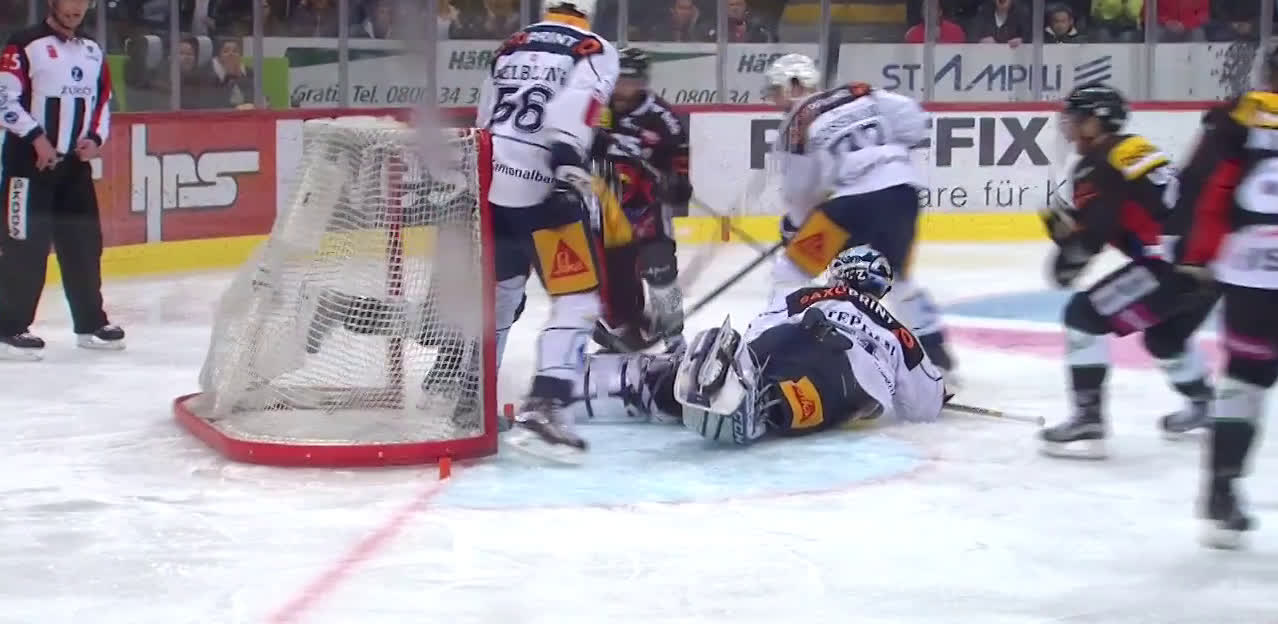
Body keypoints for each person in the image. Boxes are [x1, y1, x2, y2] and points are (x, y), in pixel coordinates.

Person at [575, 245, 947, 444]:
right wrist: (936, 394)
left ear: (841, 271)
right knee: (794, 402)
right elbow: (924, 406)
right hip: (849, 385)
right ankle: (766, 405)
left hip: (792, 340)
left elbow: (760, 328)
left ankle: (656, 381)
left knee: (722, 372)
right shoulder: (899, 334)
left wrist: (745, 356)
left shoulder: (809, 294)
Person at [1037, 84, 1216, 460]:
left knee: (1083, 315)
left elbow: (1093, 236)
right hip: (1210, 266)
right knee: (1165, 339)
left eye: (1077, 119)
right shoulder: (1133, 149)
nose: (1069, 128)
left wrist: (1067, 254)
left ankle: (1088, 419)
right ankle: (1205, 405)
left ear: (1097, 122)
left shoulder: (1097, 163)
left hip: (1171, 266)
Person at [478, 0, 619, 461]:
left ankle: (472, 401)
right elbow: (577, 104)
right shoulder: (593, 46)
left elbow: (485, 115)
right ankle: (548, 401)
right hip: (541, 183)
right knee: (578, 296)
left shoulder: (511, 44)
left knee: (502, 293)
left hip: (489, 178)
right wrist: (567, 160)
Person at [761, 53, 958, 380]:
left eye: (776, 91)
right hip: (901, 193)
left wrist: (794, 226)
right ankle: (936, 357)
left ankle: (774, 345)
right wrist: (881, 156)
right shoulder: (860, 92)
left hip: (850, 205)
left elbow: (799, 191)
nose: (774, 100)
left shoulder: (797, 120)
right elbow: (914, 120)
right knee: (898, 278)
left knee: (791, 271)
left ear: (793, 85)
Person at [1170, 48, 1278, 548]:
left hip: (1251, 268)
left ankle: (1221, 489)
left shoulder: (1238, 117)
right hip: (1253, 270)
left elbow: (1202, 187)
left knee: (1245, 379)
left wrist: (1195, 256)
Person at [0, 0, 124, 361]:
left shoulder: (92, 50)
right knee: (25, 247)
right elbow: (4, 99)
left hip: (73, 169)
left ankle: (90, 324)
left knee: (84, 246)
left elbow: (103, 103)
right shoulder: (24, 44)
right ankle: (8, 328)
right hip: (29, 166)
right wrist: (36, 137)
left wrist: (95, 139)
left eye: (83, 2)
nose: (76, 8)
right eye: (69, 0)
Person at [590, 47, 690, 354]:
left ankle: (674, 336)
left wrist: (677, 182)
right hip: (605, 208)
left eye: (632, 80)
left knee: (661, 271)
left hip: (646, 207)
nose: (624, 87)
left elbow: (679, 158)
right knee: (615, 275)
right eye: (620, 79)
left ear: (643, 81)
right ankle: (627, 328)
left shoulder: (661, 117)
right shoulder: (594, 109)